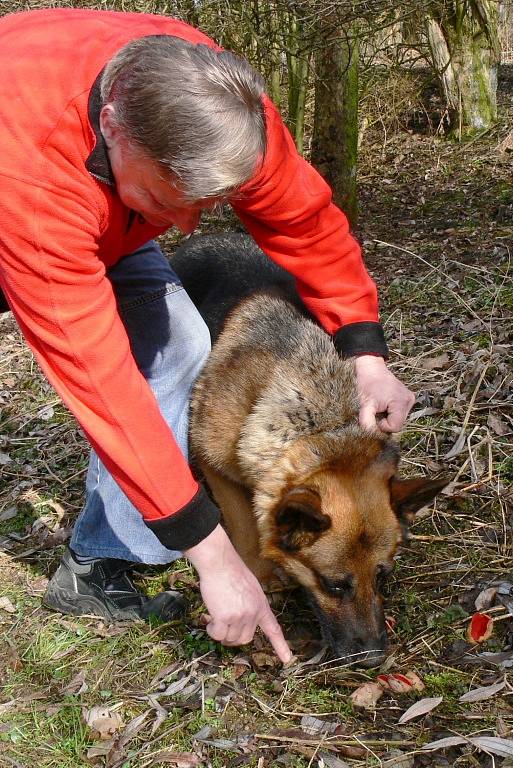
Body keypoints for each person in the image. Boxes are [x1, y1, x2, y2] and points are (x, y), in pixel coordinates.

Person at [0, 8, 415, 663]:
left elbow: (305, 226)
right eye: (172, 202)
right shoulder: (30, 177)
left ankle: (98, 570)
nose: (190, 229)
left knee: (180, 347)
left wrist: (364, 351)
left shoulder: (219, 102)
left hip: (98, 207)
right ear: (112, 128)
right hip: (34, 193)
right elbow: (103, 387)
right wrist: (214, 555)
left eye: (212, 203)